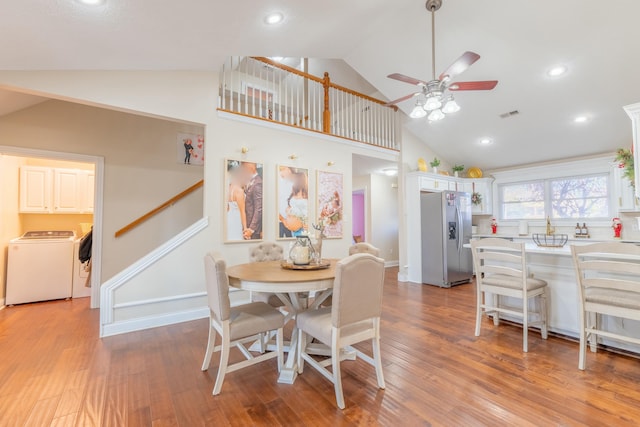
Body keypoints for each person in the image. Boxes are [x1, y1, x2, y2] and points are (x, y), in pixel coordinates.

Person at [280, 170, 308, 236]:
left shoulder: (306, 197)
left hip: (302, 230)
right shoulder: (293, 194)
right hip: (293, 230)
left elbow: (304, 213)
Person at [241, 162, 262, 240]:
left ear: (249, 167)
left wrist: (251, 229)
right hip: (247, 226)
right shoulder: (250, 180)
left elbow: (259, 208)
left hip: (253, 230)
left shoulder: (258, 183)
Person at [226, 162, 247, 240]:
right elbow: (242, 211)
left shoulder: (228, 187)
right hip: (236, 220)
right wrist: (245, 228)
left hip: (229, 218)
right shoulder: (239, 190)